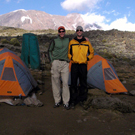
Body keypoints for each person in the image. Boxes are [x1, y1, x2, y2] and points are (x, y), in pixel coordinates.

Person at [68, 26, 94, 108]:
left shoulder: (87, 42)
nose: (79, 31)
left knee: (83, 83)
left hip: (83, 65)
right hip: (74, 65)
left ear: (82, 32)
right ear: (76, 32)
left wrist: (87, 58)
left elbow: (92, 53)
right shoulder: (72, 42)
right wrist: (71, 58)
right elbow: (69, 53)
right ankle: (73, 101)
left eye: (80, 30)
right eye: (78, 30)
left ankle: (82, 100)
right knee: (73, 83)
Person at [48, 26, 70, 110]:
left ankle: (66, 102)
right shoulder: (54, 41)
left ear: (65, 32)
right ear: (58, 32)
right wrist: (51, 61)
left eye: (63, 31)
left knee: (65, 83)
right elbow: (49, 50)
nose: (62, 33)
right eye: (60, 31)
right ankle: (57, 101)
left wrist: (84, 39)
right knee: (55, 82)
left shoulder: (68, 40)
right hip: (56, 62)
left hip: (65, 63)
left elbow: (76, 42)